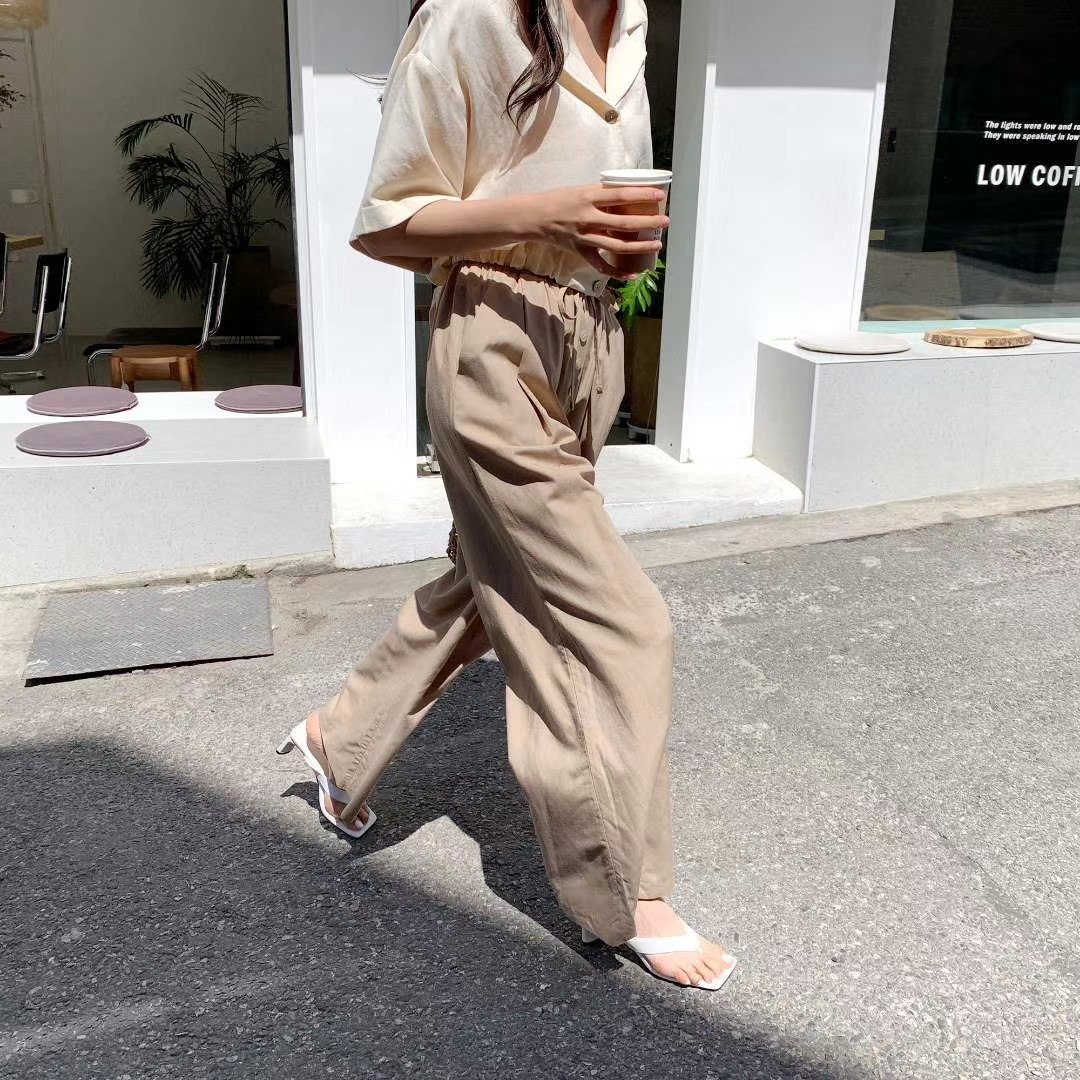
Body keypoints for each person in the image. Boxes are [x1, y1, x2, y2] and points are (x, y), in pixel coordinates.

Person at [277, 0, 737, 992]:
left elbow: (610, 206)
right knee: (622, 624)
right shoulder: (472, 16)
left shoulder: (635, 25)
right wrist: (546, 216)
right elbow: (387, 222)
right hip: (494, 343)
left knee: (494, 580)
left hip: (590, 341)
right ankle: (628, 890)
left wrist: (618, 255)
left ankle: (337, 740)